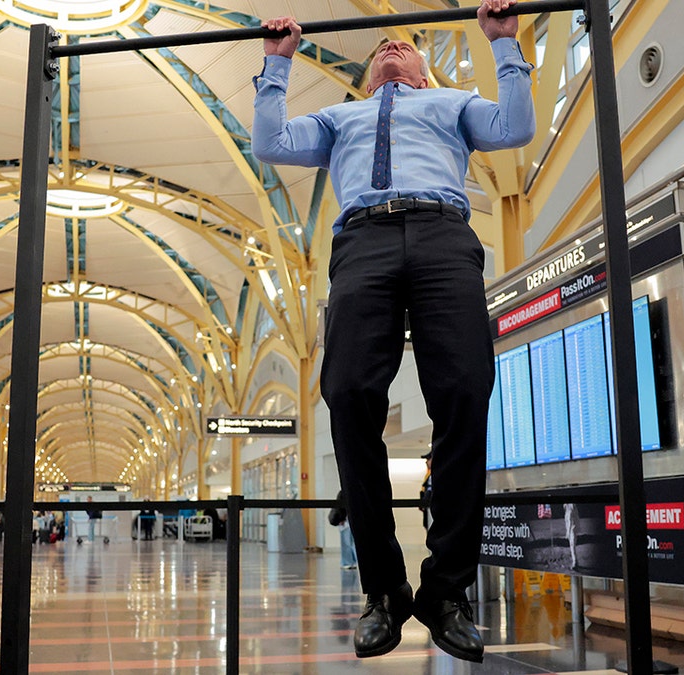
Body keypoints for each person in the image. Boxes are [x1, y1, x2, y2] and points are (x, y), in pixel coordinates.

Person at [252, 0, 532, 662]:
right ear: (367, 74)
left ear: (426, 68)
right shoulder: (338, 117)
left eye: (403, 45)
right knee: (347, 392)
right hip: (365, 239)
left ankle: (446, 591)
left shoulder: (454, 104)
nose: (389, 48)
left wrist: (503, 44)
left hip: (442, 233)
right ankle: (384, 590)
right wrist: (276, 65)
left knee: (465, 391)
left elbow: (516, 124)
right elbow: (270, 143)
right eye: (380, 48)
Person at [328, 490, 358, 570]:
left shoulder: (344, 492)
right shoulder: (347, 492)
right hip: (346, 520)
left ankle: (348, 561)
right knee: (350, 542)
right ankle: (349, 561)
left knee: (348, 542)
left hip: (345, 521)